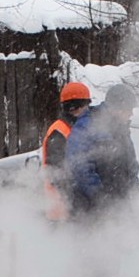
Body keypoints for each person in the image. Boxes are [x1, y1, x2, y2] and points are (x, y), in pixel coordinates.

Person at [65, 81, 139, 219]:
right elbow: (80, 166)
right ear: (117, 108)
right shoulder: (88, 124)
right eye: (128, 109)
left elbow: (130, 162)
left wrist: (134, 187)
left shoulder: (121, 128)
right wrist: (100, 198)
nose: (131, 114)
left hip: (119, 204)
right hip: (92, 209)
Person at [38, 80, 93, 221]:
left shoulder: (75, 128)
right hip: (62, 209)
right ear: (73, 107)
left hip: (70, 206)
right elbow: (57, 172)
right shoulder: (60, 131)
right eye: (85, 106)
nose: (87, 110)